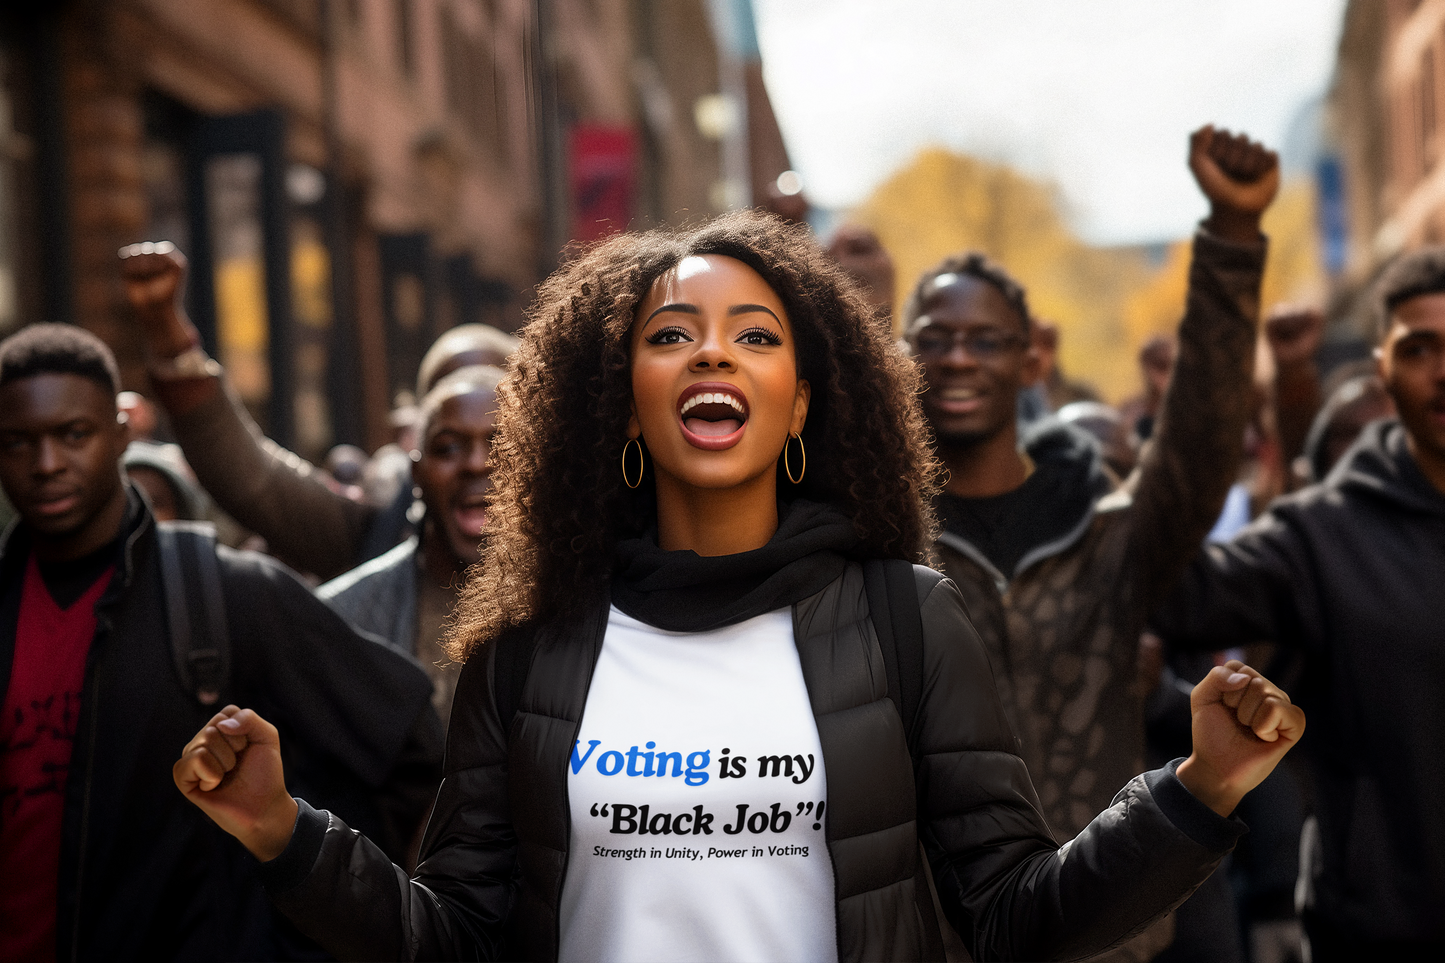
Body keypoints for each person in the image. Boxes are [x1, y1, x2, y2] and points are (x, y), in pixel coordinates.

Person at [174, 210, 1305, 963]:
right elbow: (454, 939)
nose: (713, 354)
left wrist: (1194, 791)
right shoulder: (527, 650)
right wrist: (285, 833)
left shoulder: (904, 619)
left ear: (802, 400)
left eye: (753, 336)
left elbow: (1014, 915)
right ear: (619, 399)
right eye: (673, 335)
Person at [902, 126, 1277, 961]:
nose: (957, 357)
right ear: (905, 356)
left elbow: (1199, 440)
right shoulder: (883, 544)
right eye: (934, 336)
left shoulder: (1110, 535)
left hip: (1114, 932)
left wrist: (1231, 237)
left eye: (985, 338)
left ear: (1031, 358)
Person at [0, 323, 443, 961]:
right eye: (19, 442)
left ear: (122, 433)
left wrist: (347, 924)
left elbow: (415, 753)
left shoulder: (226, 594)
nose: (47, 464)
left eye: (73, 434)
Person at [1153, 245, 1445, 962]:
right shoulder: (1321, 533)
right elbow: (1176, 594)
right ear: (1380, 365)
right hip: (1383, 933)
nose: (1443, 370)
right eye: (1419, 347)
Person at [117, 242, 518, 581]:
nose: (476, 464)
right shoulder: (376, 535)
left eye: (499, 435)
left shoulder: (574, 564)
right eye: (449, 441)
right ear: (415, 447)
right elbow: (253, 480)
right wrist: (169, 339)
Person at [318, 364, 502, 719]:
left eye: (503, 443)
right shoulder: (345, 621)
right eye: (448, 447)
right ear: (416, 475)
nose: (478, 464)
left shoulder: (591, 611)